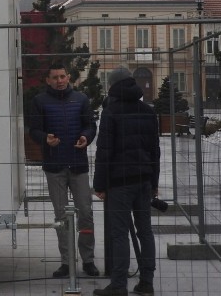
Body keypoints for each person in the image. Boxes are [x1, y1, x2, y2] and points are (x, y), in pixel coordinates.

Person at [93, 67, 161, 296]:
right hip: (143, 180)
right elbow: (155, 151)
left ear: (112, 86)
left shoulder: (111, 112)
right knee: (145, 231)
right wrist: (154, 182)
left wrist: (100, 185)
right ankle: (147, 282)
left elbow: (104, 151)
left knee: (119, 233)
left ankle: (119, 284)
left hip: (120, 183)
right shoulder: (148, 111)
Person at [28, 62, 100, 278]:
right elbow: (34, 130)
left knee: (85, 214)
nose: (59, 81)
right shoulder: (39, 101)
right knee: (61, 217)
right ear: (48, 80)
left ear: (69, 77)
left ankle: (88, 260)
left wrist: (86, 137)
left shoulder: (81, 99)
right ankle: (67, 262)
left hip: (78, 166)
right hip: (54, 167)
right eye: (55, 77)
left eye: (62, 76)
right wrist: (44, 139)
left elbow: (90, 126)